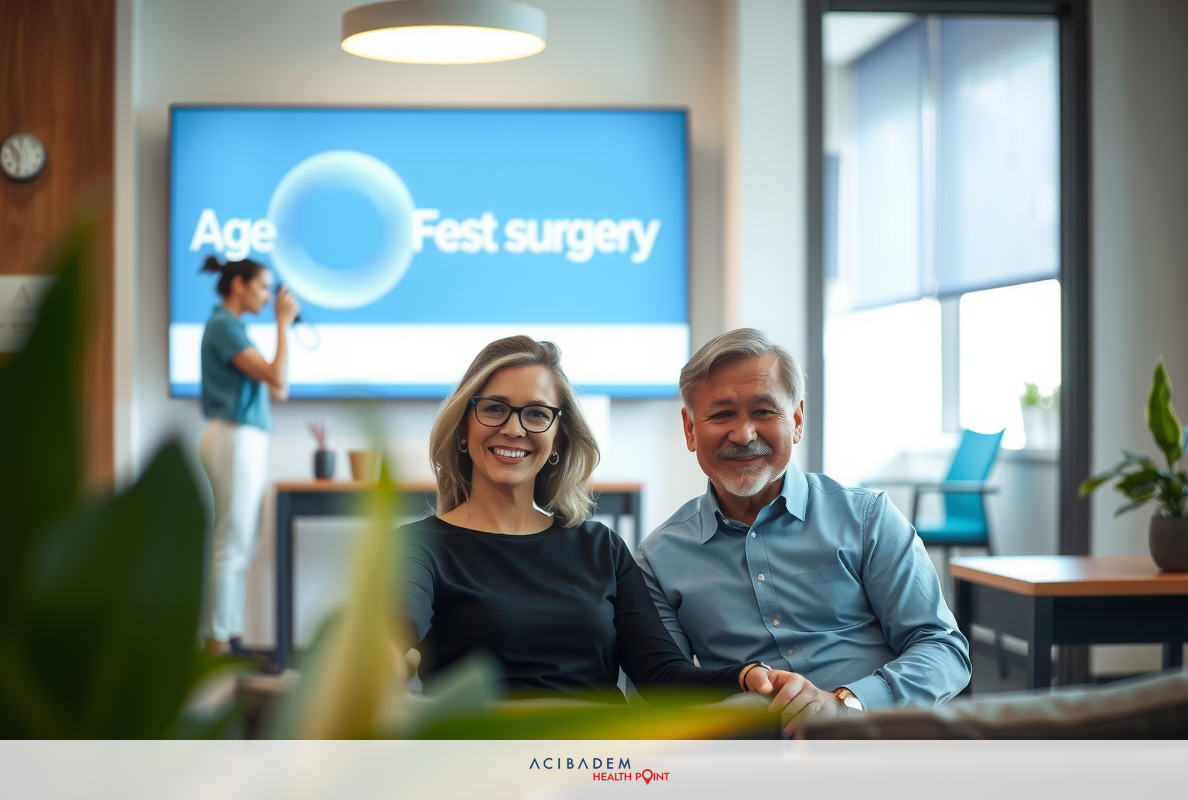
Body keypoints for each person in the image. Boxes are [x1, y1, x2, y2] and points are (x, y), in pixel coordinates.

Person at [400, 335, 811, 720]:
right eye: (493, 408)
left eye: (537, 414)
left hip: (598, 764)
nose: (514, 427)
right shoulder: (419, 546)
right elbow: (390, 632)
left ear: (558, 440)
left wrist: (743, 676)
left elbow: (661, 675)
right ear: (463, 428)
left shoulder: (600, 547)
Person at [635, 328, 971, 721]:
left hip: (877, 738)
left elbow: (942, 648)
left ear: (795, 420)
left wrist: (846, 702)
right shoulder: (659, 557)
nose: (744, 434)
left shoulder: (867, 518)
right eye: (722, 414)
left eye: (764, 412)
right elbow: (665, 690)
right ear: (691, 429)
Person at [197, 255, 299, 657]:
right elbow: (276, 377)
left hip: (246, 438)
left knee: (240, 542)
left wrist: (280, 331)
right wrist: (282, 324)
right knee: (231, 542)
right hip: (234, 438)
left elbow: (279, 389)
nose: (267, 295)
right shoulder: (223, 326)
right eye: (261, 287)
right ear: (238, 285)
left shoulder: (234, 329)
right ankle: (218, 644)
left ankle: (230, 636)